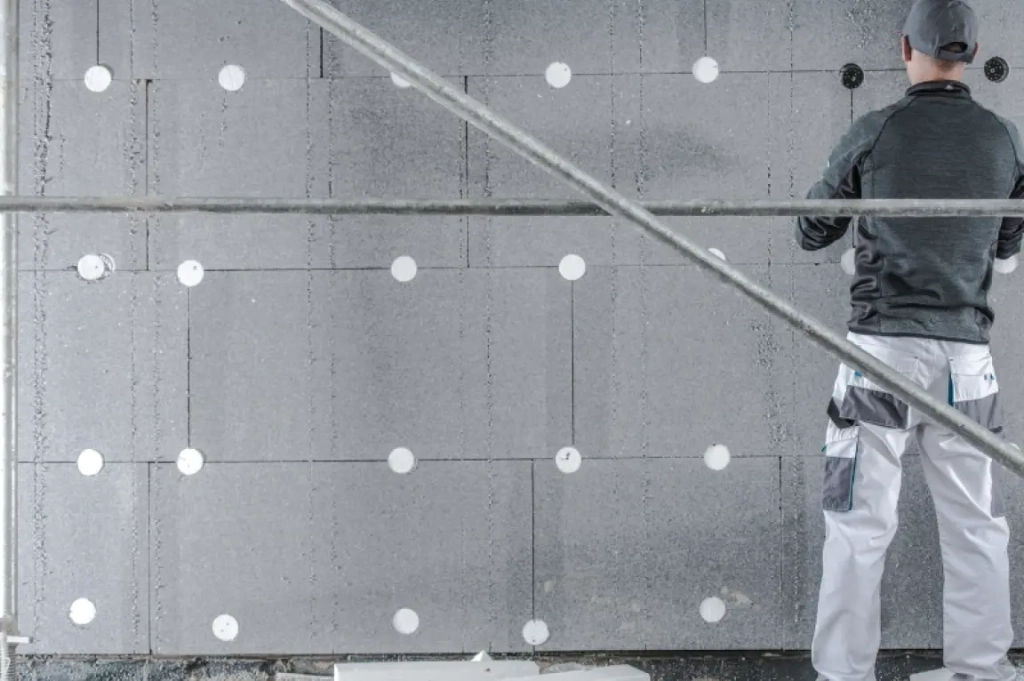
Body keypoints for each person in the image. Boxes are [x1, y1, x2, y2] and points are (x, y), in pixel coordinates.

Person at [795, 0, 1024, 679]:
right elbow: (1008, 243)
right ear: (975, 52)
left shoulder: (875, 129)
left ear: (904, 48)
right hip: (966, 366)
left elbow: (809, 229)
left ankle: (843, 673)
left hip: (879, 360)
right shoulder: (1007, 139)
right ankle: (984, 670)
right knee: (978, 526)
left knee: (858, 525)